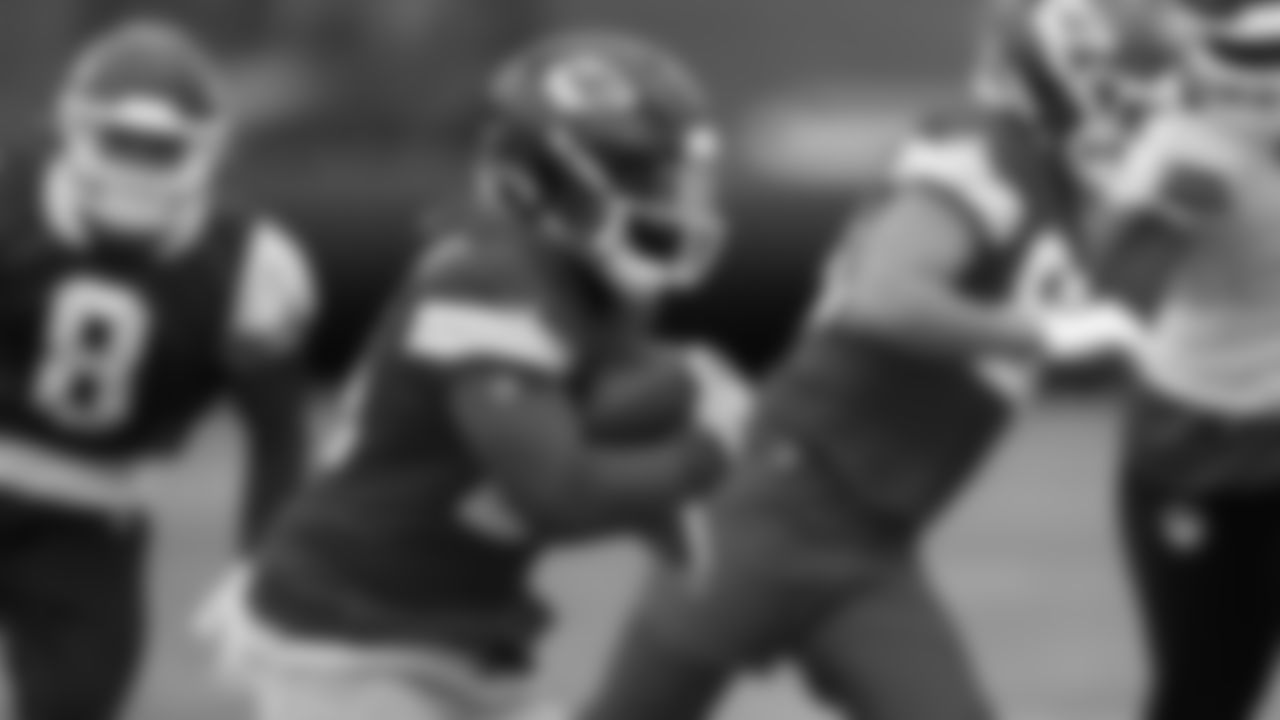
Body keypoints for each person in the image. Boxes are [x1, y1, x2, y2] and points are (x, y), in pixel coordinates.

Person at [574, 2, 1172, 720]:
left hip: (872, 541)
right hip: (780, 504)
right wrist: (1041, 334)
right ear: (1059, 78)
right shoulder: (985, 151)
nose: (1140, 117)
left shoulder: (1059, 192)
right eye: (1125, 94)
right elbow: (883, 297)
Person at [197, 31, 751, 720]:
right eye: (645, 175)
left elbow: (610, 416)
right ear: (553, 177)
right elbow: (556, 491)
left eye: (675, 176)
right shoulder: (489, 283)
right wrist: (706, 455)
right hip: (344, 638)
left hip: (441, 634)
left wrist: (683, 424)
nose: (674, 198)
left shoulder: (590, 287)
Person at [0, 17, 317, 720]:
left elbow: (277, 435)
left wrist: (263, 569)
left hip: (92, 513)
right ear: (74, 128)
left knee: (76, 702)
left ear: (207, 149)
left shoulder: (247, 264)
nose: (137, 165)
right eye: (122, 141)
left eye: (160, 147)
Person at [1089, 1, 1280, 718]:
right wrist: (1159, 214)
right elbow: (1112, 293)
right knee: (1207, 688)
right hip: (1198, 432)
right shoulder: (1191, 154)